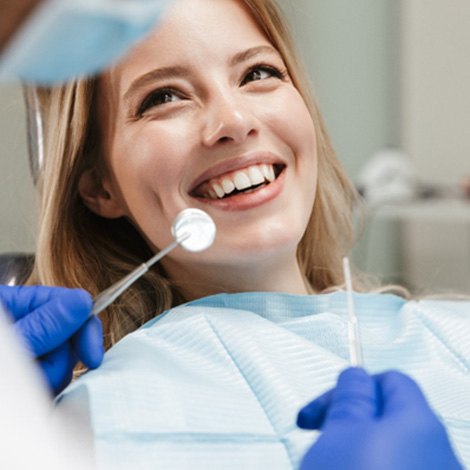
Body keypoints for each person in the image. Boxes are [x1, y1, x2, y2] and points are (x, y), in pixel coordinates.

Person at [22, 0, 469, 468]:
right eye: (164, 98)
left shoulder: (457, 335)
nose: (234, 122)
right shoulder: (85, 421)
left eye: (257, 73)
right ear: (99, 187)